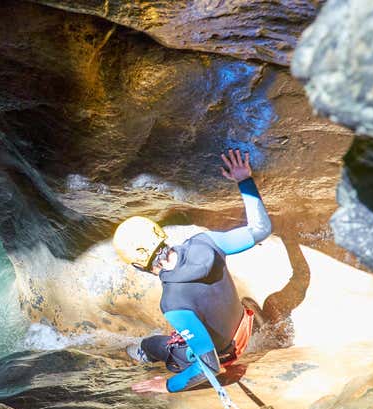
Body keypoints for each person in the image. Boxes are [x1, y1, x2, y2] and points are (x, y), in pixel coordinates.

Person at [112, 149, 271, 393]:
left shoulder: (172, 302)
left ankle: (142, 355)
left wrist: (167, 385)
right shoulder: (207, 242)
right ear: (160, 234)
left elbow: (210, 366)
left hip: (226, 354)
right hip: (246, 328)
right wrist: (243, 179)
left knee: (152, 345)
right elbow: (261, 229)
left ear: (137, 265)